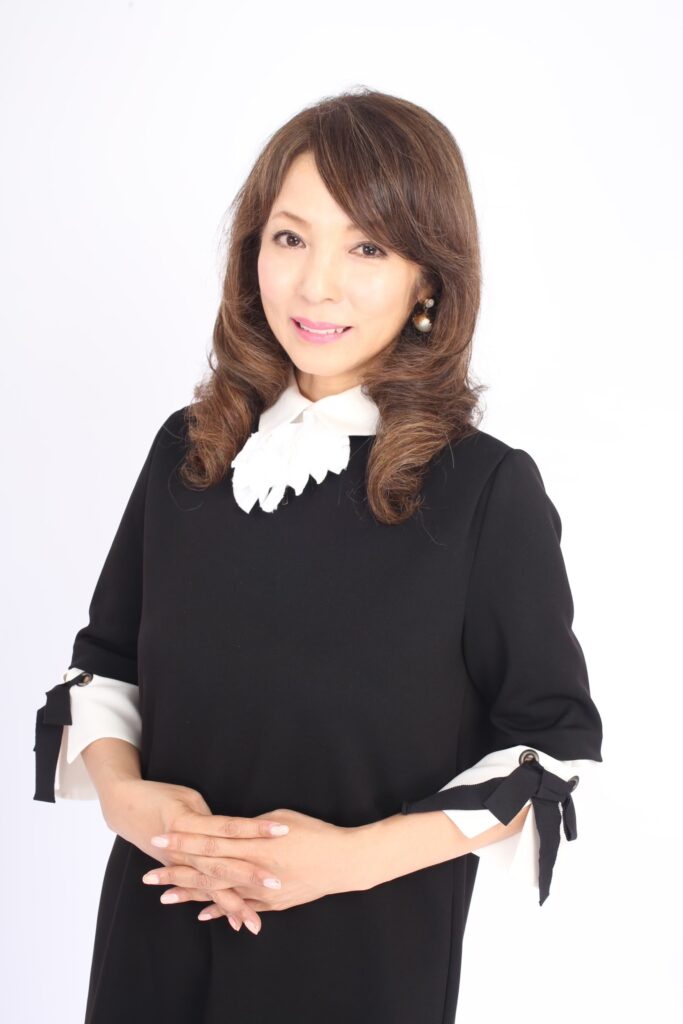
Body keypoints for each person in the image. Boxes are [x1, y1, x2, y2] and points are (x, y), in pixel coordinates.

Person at [33, 87, 604, 1023]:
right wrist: (131, 803)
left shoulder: (483, 489)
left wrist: (342, 861)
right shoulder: (189, 450)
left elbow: (549, 745)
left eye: (366, 248)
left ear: (428, 280)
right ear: (251, 251)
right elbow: (104, 665)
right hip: (153, 937)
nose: (315, 286)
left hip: (360, 964)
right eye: (290, 238)